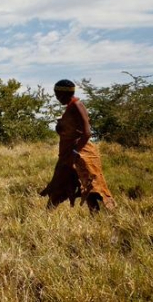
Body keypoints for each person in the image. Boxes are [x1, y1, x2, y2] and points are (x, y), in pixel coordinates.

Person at [40, 79, 116, 212]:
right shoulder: (70, 106)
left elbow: (87, 133)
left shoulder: (77, 105)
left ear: (65, 94)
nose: (57, 98)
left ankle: (103, 219)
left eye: (58, 95)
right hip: (69, 154)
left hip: (81, 154)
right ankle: (45, 219)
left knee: (89, 188)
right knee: (62, 184)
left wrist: (76, 151)